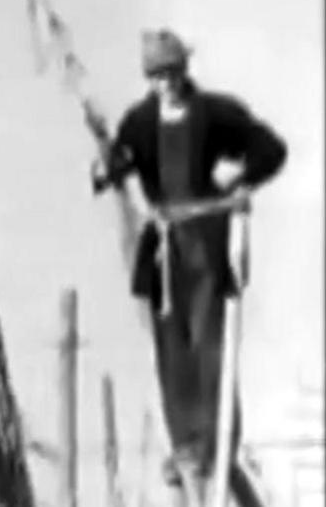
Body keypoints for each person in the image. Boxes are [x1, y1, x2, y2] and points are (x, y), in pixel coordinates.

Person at [93, 29, 287, 506]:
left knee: (209, 346)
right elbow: (119, 164)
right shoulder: (139, 122)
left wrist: (240, 177)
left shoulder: (216, 113)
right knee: (172, 350)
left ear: (185, 70)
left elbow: (271, 149)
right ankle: (185, 449)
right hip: (164, 253)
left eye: (172, 73)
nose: (166, 84)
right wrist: (104, 168)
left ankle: (215, 444)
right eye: (157, 77)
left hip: (206, 242)